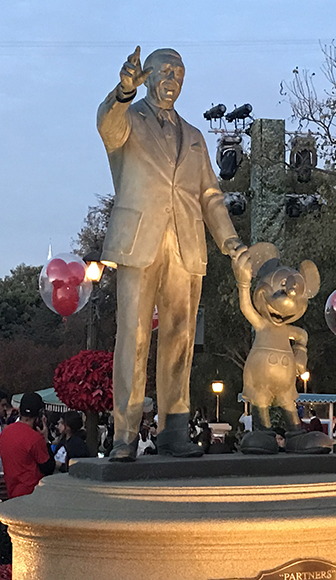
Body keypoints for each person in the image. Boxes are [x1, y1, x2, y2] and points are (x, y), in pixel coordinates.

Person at [97, 46, 246, 461]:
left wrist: (230, 243)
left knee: (181, 338)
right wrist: (123, 92)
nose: (172, 79)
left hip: (186, 244)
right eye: (164, 71)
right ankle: (124, 435)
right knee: (134, 337)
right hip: (139, 241)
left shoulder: (195, 137)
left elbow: (212, 196)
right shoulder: (128, 120)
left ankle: (174, 430)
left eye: (179, 73)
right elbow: (106, 126)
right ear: (146, 76)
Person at [0, 392, 55, 498]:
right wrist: (46, 439)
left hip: (11, 490)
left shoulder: (5, 433)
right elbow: (48, 468)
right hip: (31, 493)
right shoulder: (35, 438)